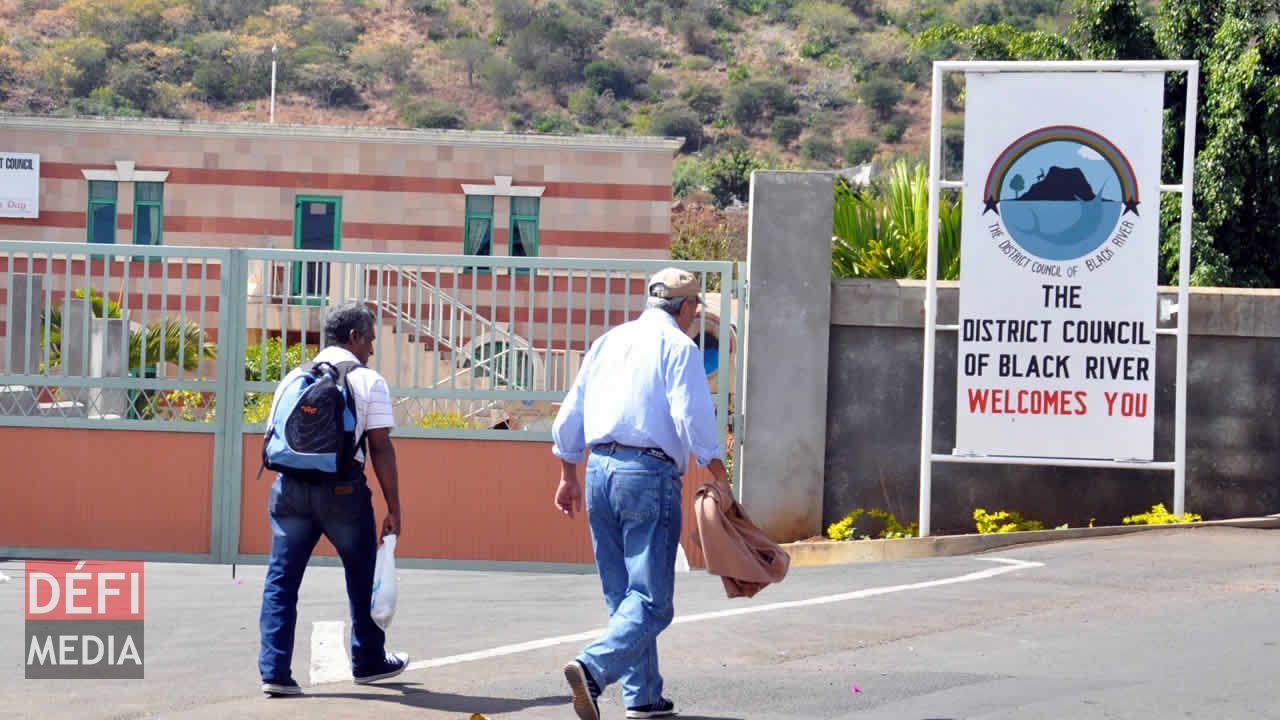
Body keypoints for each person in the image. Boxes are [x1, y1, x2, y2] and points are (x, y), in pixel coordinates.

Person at [552, 267, 730, 720]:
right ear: (686, 308)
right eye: (694, 310)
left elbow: (572, 409)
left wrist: (568, 473)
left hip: (598, 471)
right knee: (652, 603)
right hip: (647, 475)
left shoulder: (609, 341)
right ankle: (591, 668)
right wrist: (717, 468)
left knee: (624, 597)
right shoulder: (679, 346)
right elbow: (691, 413)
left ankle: (643, 696)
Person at [258, 302, 408, 696]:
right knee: (362, 576)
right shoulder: (368, 381)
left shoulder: (293, 378)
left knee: (281, 580)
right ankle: (369, 660)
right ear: (354, 337)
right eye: (370, 340)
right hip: (343, 493)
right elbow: (380, 446)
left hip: (289, 491)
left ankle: (274, 671)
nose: (372, 349)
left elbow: (274, 434)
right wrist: (394, 507)